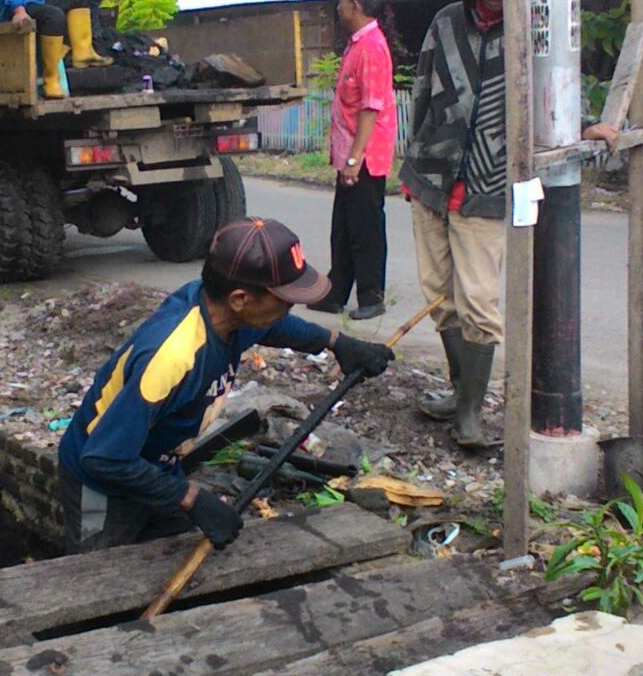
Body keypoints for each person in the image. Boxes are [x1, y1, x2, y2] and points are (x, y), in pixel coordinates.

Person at [58, 216, 394, 554]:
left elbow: (275, 327)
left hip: (156, 464)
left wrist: (335, 342)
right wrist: (190, 498)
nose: (290, 306)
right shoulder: (173, 356)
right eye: (284, 299)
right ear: (239, 299)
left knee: (172, 555)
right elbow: (104, 459)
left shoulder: (228, 315)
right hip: (98, 482)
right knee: (98, 571)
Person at [399, 0, 617, 449]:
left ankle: (471, 415)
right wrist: (412, 163)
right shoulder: (447, 22)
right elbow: (422, 89)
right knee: (439, 296)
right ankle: (459, 395)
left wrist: (585, 123)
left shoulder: (528, 28)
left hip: (489, 182)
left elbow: (554, 88)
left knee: (479, 302)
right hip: (431, 178)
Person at [314, 0, 398, 322]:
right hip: (349, 153)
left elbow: (370, 107)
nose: (339, 8)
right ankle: (336, 294)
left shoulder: (373, 47)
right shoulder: (356, 44)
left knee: (365, 228)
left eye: (342, 2)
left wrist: (354, 157)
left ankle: (371, 296)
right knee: (344, 227)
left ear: (356, 6)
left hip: (364, 156)